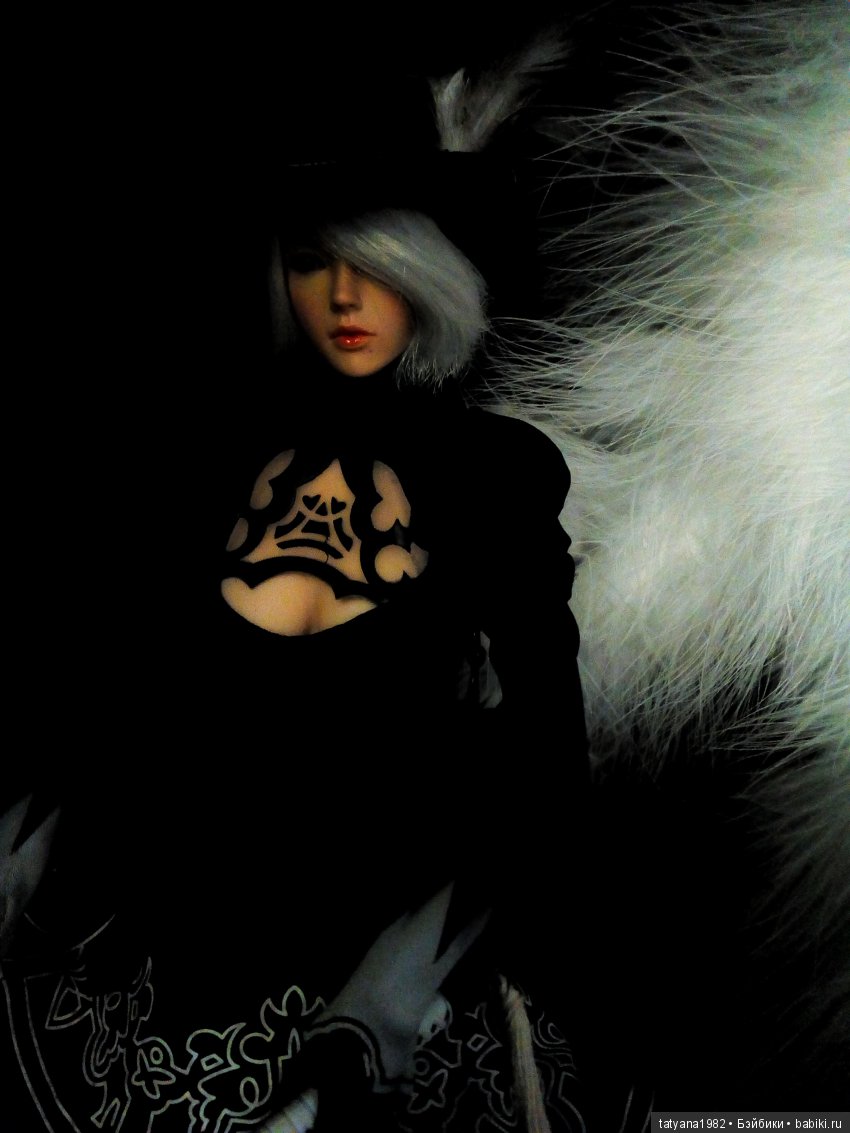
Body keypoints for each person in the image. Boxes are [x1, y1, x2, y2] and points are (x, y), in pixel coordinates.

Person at [1, 65, 588, 1133]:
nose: (345, 297)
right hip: (161, 981)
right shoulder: (207, 455)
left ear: (427, 269)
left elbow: (546, 773)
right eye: (314, 260)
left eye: (376, 262)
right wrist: (45, 835)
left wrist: (394, 999)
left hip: (389, 1003)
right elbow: (111, 694)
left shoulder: (496, 474)